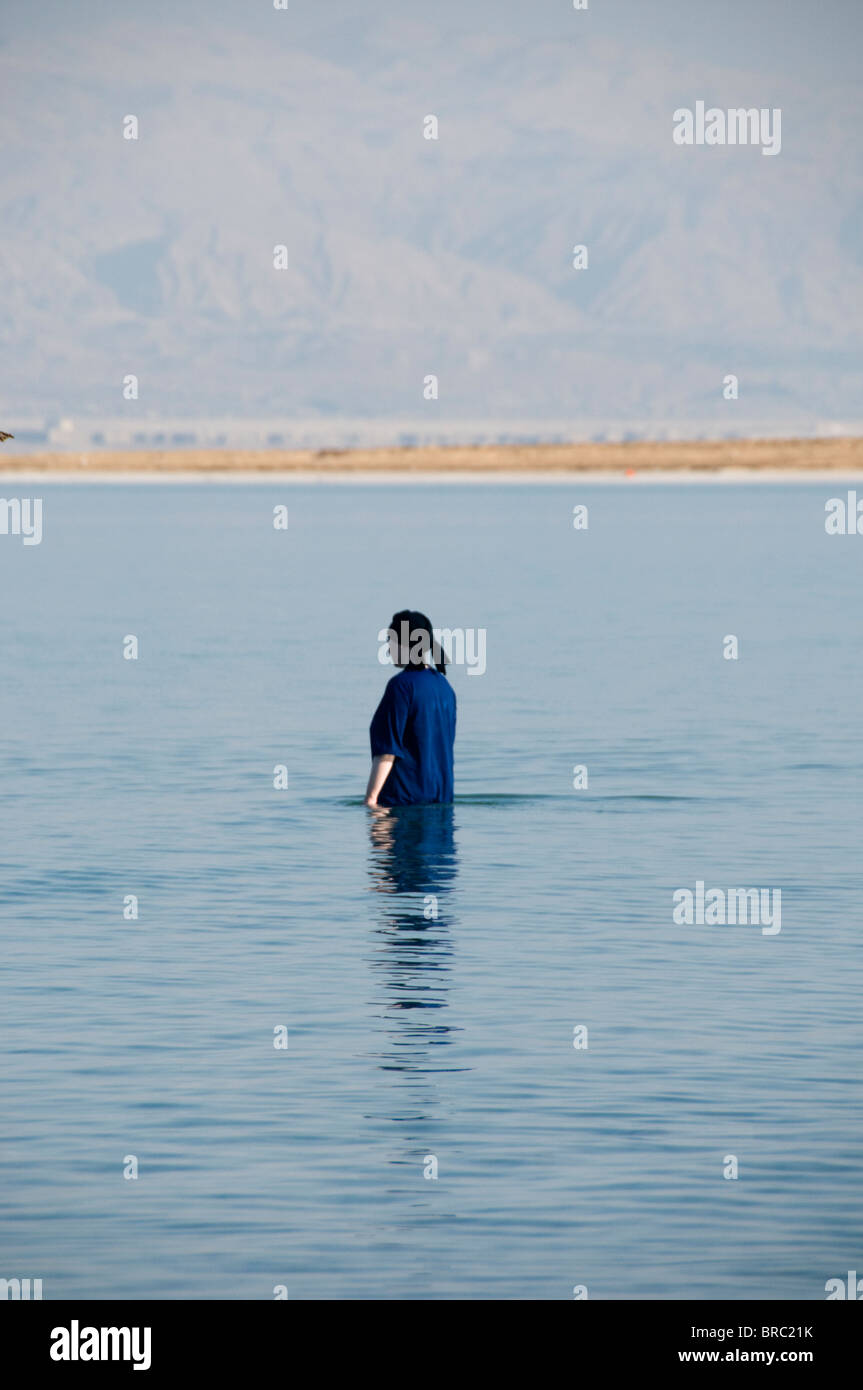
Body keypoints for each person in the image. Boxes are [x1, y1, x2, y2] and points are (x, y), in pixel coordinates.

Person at [365, 610, 456, 808]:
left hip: (402, 804)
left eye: (390, 641)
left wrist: (371, 800)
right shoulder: (445, 688)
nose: (388, 650)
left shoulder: (401, 687)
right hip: (442, 806)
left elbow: (387, 752)